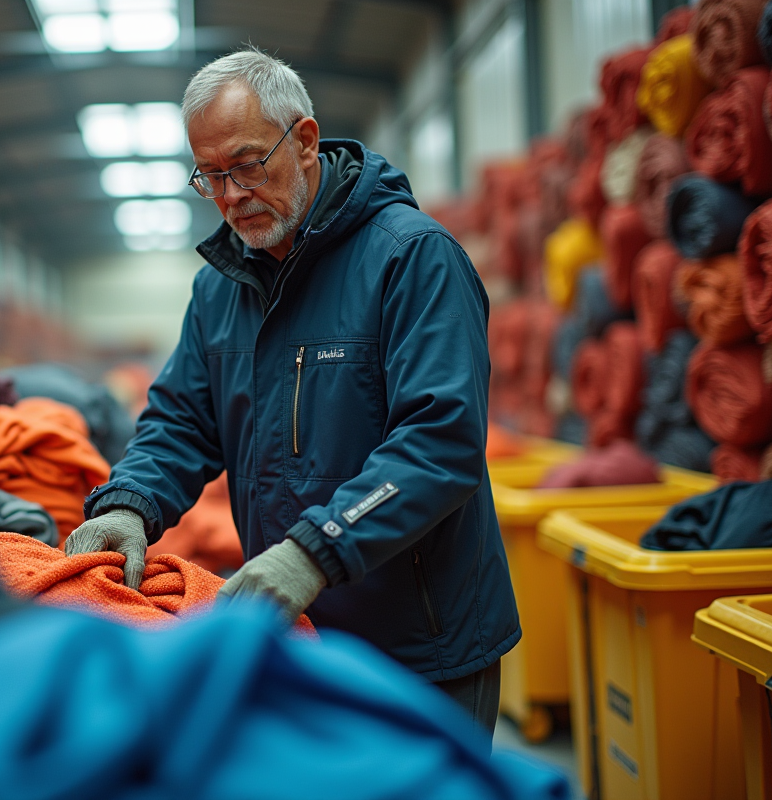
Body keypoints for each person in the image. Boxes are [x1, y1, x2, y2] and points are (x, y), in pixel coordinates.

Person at [65, 47, 519, 732]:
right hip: (296, 631)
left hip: (420, 648)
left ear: (304, 141)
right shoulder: (221, 287)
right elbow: (183, 419)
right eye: (211, 176)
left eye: (248, 165)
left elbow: (439, 442)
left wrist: (318, 547)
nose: (232, 196)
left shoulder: (410, 258)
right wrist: (131, 502)